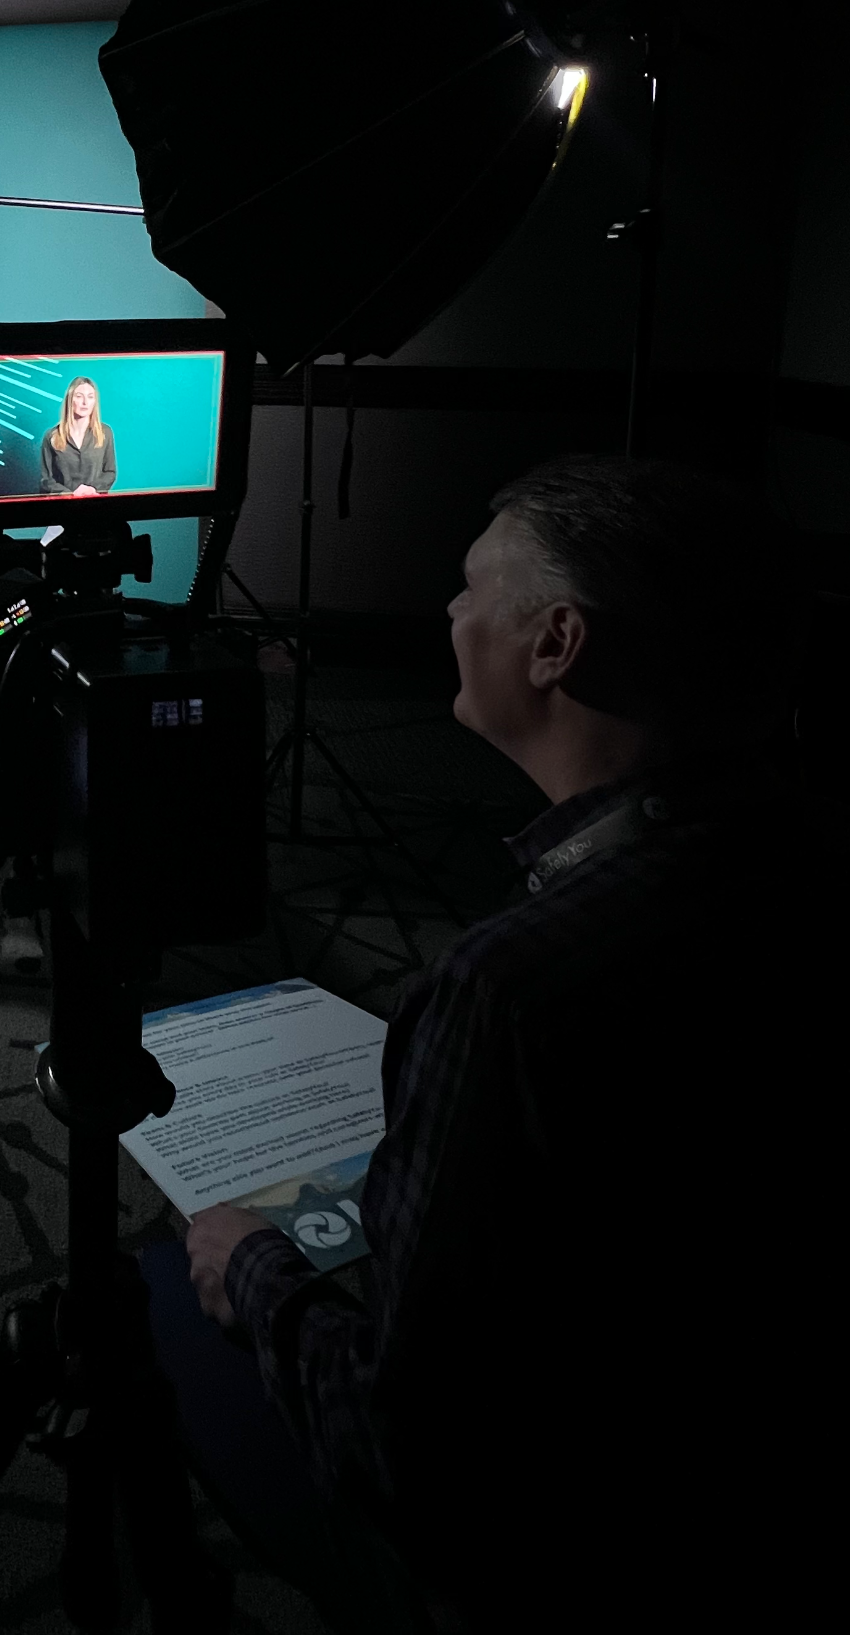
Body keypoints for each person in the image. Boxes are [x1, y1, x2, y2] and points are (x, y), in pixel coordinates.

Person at [159, 456, 810, 1633]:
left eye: (472, 589)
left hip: (553, 1556)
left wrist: (248, 1268)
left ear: (557, 643)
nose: (451, 615)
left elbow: (409, 1449)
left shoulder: (507, 991)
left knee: (158, 1279)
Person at [39, 375, 116, 497]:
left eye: (90, 397)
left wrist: (92, 489)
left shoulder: (105, 432)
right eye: (79, 396)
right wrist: (69, 494)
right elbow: (45, 480)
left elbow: (110, 472)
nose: (85, 402)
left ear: (95, 402)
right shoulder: (51, 436)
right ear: (70, 399)